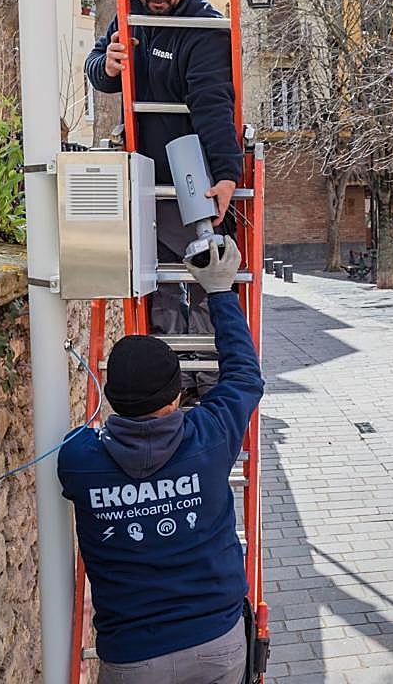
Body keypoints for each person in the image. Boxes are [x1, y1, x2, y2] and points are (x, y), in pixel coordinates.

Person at [58, 238, 263, 682]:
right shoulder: (210, 437)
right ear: (177, 395)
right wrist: (221, 291)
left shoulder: (78, 460)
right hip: (216, 644)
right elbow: (245, 375)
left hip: (134, 658)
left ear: (111, 398)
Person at [85, 0, 242, 350]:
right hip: (144, 173)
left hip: (192, 174)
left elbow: (213, 102)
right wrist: (108, 65)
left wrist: (227, 174)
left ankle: (208, 385)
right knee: (159, 286)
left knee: (206, 278)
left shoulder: (202, 27)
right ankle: (169, 386)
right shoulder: (128, 14)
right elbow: (96, 67)